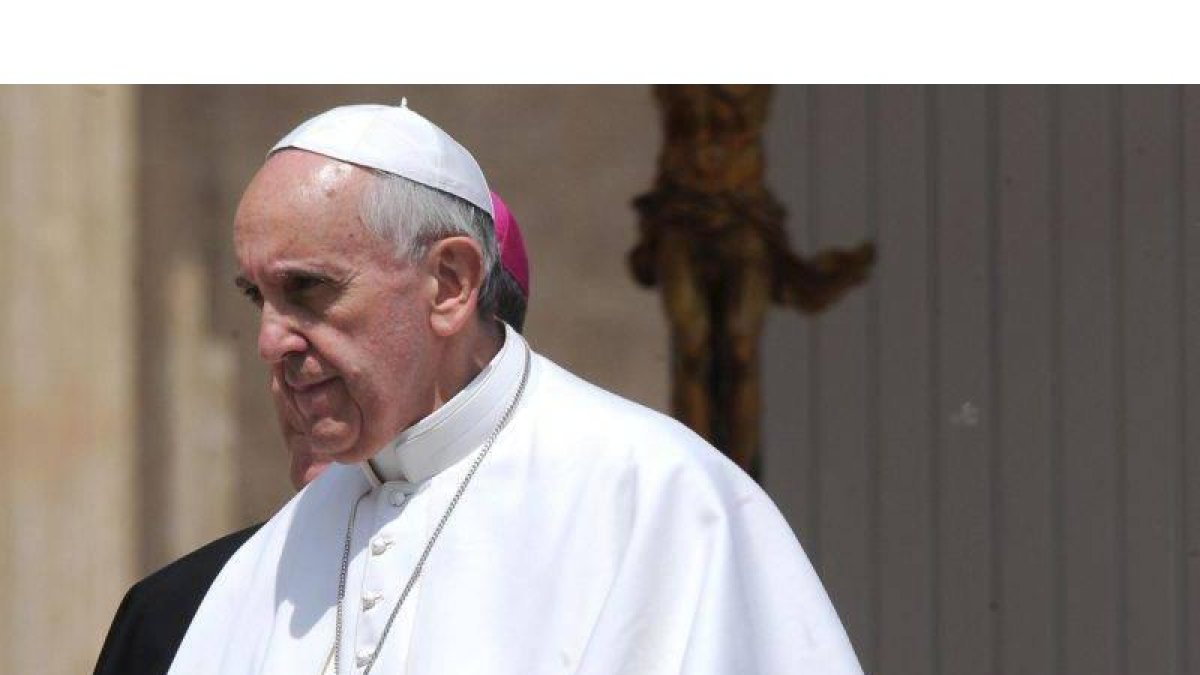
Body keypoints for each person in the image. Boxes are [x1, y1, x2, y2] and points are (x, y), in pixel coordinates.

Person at [111, 102, 862, 675]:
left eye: (309, 291)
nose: (271, 340)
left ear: (450, 282)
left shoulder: (661, 500)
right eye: (258, 298)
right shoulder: (254, 570)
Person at [93, 189, 532, 675]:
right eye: (261, 301)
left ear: (450, 293)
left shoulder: (569, 575)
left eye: (311, 291)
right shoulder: (176, 611)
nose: (281, 354)